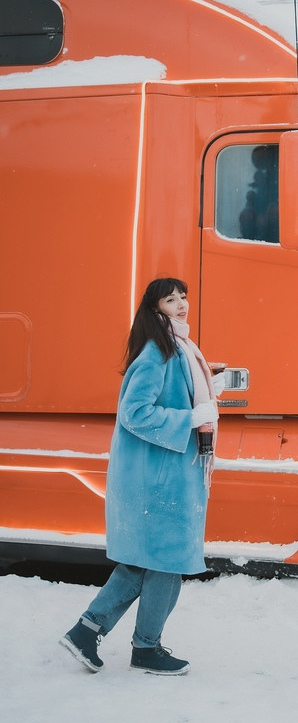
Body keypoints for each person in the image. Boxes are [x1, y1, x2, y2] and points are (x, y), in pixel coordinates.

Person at [59, 277, 222, 676]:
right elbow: (134, 413)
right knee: (166, 563)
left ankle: (88, 632)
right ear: (155, 308)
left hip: (166, 476)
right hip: (158, 481)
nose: (181, 304)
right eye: (170, 299)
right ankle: (145, 647)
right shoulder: (158, 351)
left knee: (148, 563)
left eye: (183, 297)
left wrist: (203, 387)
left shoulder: (180, 348)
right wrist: (191, 417)